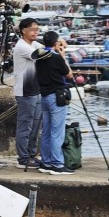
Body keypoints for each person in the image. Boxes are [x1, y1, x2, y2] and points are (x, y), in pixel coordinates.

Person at [35, 31, 75, 175]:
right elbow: (68, 74)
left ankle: (46, 162)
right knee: (57, 132)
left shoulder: (39, 57)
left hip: (44, 96)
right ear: (55, 43)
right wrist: (62, 56)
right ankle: (57, 164)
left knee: (46, 131)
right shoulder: (56, 58)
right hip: (57, 96)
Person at [13, 17, 43, 170]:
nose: (35, 32)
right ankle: (23, 158)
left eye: (37, 29)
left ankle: (32, 155)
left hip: (36, 89)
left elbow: (46, 49)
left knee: (36, 125)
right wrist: (52, 48)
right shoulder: (22, 47)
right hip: (25, 91)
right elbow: (42, 54)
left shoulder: (34, 43)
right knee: (25, 126)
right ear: (24, 30)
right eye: (32, 29)